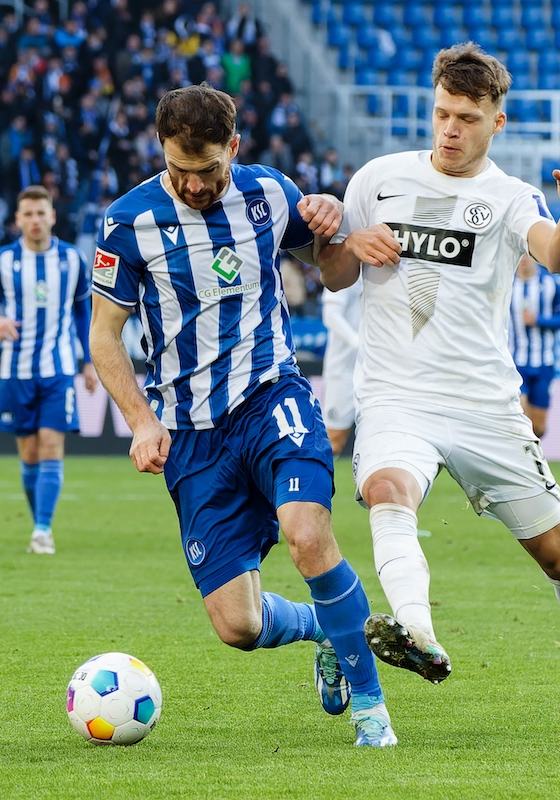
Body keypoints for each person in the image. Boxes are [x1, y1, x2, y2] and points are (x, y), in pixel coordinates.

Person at [317, 43, 560, 730]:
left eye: (467, 118)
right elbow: (333, 277)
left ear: (495, 123)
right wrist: (345, 247)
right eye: (442, 113)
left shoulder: (508, 198)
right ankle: (416, 631)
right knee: (388, 490)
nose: (450, 129)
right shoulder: (377, 180)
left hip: (485, 405)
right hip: (397, 396)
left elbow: (554, 256)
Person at [87, 84, 397, 747]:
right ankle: (323, 628)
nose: (194, 185)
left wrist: (332, 227)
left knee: (307, 536)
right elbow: (104, 337)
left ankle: (372, 708)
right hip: (193, 436)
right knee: (239, 626)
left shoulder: (270, 193)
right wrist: (143, 422)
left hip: (270, 397)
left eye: (207, 170)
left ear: (234, 147)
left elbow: (336, 274)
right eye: (179, 170)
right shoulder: (127, 222)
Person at [0, 185, 99, 555]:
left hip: (58, 369)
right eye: (27, 214)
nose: (34, 220)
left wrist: (90, 361)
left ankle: (43, 530)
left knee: (50, 445)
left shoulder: (73, 259)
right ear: (17, 219)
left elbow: (82, 313)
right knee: (29, 453)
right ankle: (38, 523)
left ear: (52, 216)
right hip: (16, 370)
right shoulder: (2, 260)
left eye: (40, 213)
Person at [509, 253, 560, 438]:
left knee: (538, 427)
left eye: (526, 256)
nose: (522, 260)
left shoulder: (552, 284)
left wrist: (539, 319)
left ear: (535, 258)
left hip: (544, 362)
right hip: (515, 362)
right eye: (519, 256)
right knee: (519, 412)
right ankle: (519, 460)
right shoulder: (507, 284)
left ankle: (529, 454)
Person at [320, 280, 362, 455]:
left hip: (374, 371)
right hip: (343, 370)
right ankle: (316, 481)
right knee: (334, 441)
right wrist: (358, 343)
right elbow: (330, 316)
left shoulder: (384, 273)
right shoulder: (345, 269)